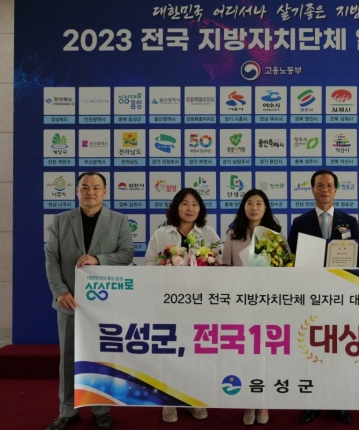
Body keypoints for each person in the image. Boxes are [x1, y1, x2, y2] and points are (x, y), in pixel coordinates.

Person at [45, 172, 134, 430]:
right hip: (69, 302)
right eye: (85, 187)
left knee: (102, 357)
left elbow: (127, 254)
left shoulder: (119, 220)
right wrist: (60, 291)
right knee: (68, 359)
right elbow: (51, 257)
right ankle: (67, 411)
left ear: (105, 191)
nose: (90, 192)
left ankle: (101, 409)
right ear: (77, 191)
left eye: (96, 187)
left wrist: (98, 259)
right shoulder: (61, 221)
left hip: (105, 304)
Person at [287, 169, 359, 425]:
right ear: (312, 189)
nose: (325, 190)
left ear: (336, 190)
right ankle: (312, 400)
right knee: (311, 348)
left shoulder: (349, 221)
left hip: (341, 295)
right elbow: (291, 259)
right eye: (320, 185)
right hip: (310, 295)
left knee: (339, 349)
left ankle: (339, 400)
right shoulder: (300, 222)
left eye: (329, 185)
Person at [145, 187, 220, 423]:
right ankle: (169, 402)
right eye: (185, 203)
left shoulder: (208, 233)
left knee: (197, 353)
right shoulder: (161, 234)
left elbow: (220, 264)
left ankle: (195, 399)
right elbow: (148, 265)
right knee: (170, 353)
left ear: (200, 209)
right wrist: (166, 267)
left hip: (200, 304)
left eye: (195, 204)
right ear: (176, 207)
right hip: (169, 303)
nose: (190, 208)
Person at [222, 188, 281, 425]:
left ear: (265, 208)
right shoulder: (232, 234)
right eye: (249, 203)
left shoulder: (274, 234)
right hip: (240, 302)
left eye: (259, 203)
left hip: (267, 303)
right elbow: (225, 267)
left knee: (265, 353)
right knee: (245, 353)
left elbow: (283, 271)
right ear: (243, 207)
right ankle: (248, 401)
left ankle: (263, 401)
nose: (254, 207)